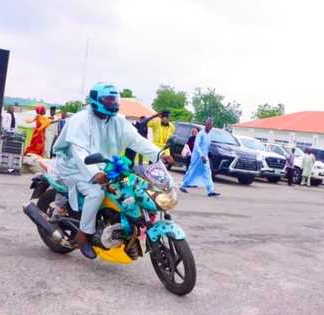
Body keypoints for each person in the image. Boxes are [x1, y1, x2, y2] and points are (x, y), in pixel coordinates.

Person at [51, 82, 174, 259]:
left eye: (114, 99)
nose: (112, 103)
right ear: (96, 100)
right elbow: (79, 152)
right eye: (108, 99)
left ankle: (122, 228)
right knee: (96, 193)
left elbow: (137, 140)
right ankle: (83, 236)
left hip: (106, 167)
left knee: (130, 185)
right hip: (73, 167)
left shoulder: (118, 121)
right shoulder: (80, 119)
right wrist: (94, 173)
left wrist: (160, 153)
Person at [179, 118, 220, 197]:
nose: (209, 126)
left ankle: (210, 190)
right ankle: (183, 185)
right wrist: (201, 155)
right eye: (208, 124)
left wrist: (206, 155)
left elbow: (206, 146)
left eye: (211, 125)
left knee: (208, 172)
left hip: (204, 157)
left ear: (212, 126)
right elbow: (197, 146)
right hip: (197, 156)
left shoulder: (210, 134)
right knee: (192, 171)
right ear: (205, 124)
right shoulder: (200, 134)